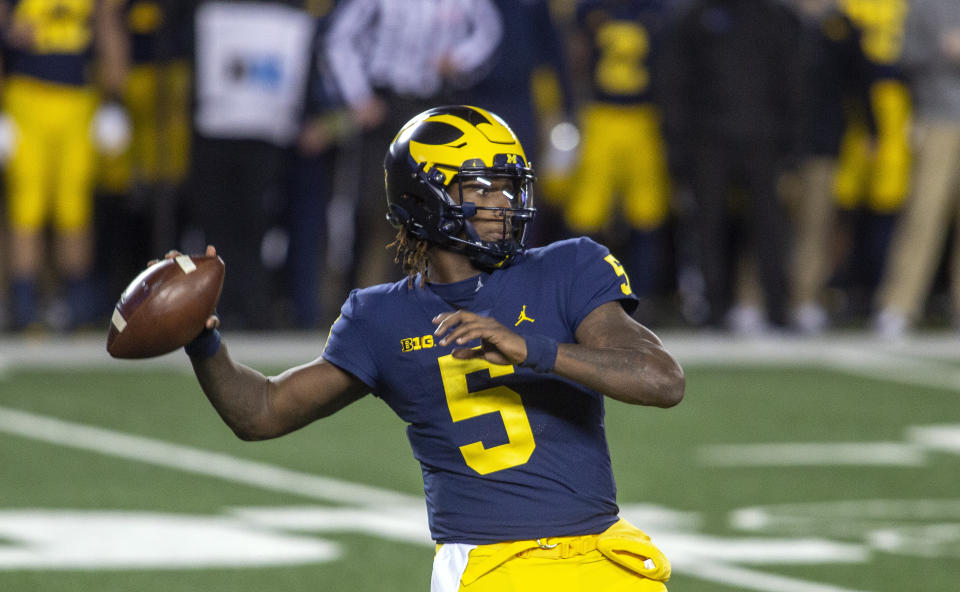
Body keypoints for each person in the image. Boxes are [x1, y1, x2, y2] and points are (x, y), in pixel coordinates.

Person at [172, 105, 684, 590]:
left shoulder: (568, 267)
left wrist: (537, 350)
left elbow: (662, 380)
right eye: (481, 188)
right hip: (490, 566)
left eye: (508, 186)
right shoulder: (380, 318)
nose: (504, 201)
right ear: (425, 199)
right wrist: (203, 340)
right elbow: (261, 411)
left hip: (604, 557)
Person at [1, 0, 129, 331]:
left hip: (77, 100)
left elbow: (107, 28)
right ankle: (24, 304)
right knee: (26, 206)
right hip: (25, 96)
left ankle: (76, 303)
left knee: (74, 206)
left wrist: (114, 100)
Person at [873, 0, 960, 337]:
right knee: (923, 215)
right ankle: (898, 306)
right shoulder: (925, 4)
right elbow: (904, 56)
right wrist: (943, 51)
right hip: (937, 118)